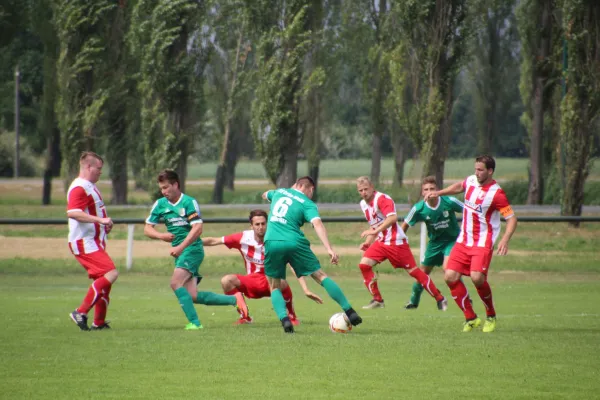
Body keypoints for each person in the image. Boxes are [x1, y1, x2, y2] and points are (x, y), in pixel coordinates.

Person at [144, 169, 249, 330]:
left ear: (175, 184)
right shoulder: (160, 204)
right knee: (192, 295)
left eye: (166, 187)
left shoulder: (188, 202)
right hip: (180, 252)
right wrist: (161, 236)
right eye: (161, 188)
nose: (163, 191)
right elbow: (147, 229)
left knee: (175, 283)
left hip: (192, 249)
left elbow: (197, 229)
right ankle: (235, 300)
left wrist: (181, 247)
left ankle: (195, 323)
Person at [425, 155, 517, 333]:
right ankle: (471, 317)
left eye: (480, 170)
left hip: (482, 242)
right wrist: (439, 192)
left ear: (490, 171)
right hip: (463, 240)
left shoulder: (497, 194)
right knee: (450, 276)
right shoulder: (471, 181)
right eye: (475, 169)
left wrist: (505, 240)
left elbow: (512, 219)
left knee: (477, 278)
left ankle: (490, 315)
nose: (477, 172)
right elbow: (460, 186)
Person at [262, 176, 362, 333]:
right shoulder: (308, 204)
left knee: (274, 285)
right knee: (320, 276)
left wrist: (276, 195)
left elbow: (265, 194)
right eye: (311, 191)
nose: (311, 195)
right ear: (307, 188)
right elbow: (317, 224)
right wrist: (329, 248)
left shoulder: (279, 192)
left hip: (271, 241)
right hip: (294, 241)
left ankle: (285, 320)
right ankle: (350, 311)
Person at [202, 209, 324, 325]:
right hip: (251, 281)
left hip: (272, 282)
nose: (260, 227)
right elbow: (214, 241)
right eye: (257, 224)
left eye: (263, 223)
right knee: (226, 280)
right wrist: (190, 241)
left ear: (268, 224)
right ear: (251, 226)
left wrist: (305, 289)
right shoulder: (243, 238)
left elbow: (293, 265)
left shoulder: (276, 239)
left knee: (282, 282)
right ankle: (245, 316)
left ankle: (291, 316)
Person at [356, 176, 448, 311]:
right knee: (364, 265)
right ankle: (378, 300)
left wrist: (375, 231)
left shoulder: (382, 199)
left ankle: (440, 298)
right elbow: (375, 224)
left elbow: (392, 218)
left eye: (366, 189)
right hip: (382, 241)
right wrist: (368, 241)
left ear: (372, 188)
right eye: (360, 190)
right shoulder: (363, 204)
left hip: (396, 242)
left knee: (414, 272)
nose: (364, 192)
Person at [67, 151, 118, 331]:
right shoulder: (79, 187)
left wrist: (104, 224)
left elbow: (91, 212)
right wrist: (100, 221)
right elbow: (73, 212)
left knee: (104, 282)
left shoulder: (89, 186)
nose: (100, 172)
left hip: (93, 241)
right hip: (84, 242)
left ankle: (99, 323)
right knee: (111, 274)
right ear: (88, 167)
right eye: (98, 168)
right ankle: (80, 312)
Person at [401, 176, 465, 310]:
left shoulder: (449, 201)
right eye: (426, 189)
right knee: (422, 273)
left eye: (432, 188)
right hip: (434, 244)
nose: (429, 191)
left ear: (437, 190)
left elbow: (469, 212)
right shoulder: (419, 208)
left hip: (452, 241)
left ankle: (465, 297)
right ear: (422, 192)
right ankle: (414, 301)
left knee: (448, 269)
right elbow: (405, 225)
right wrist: (399, 242)